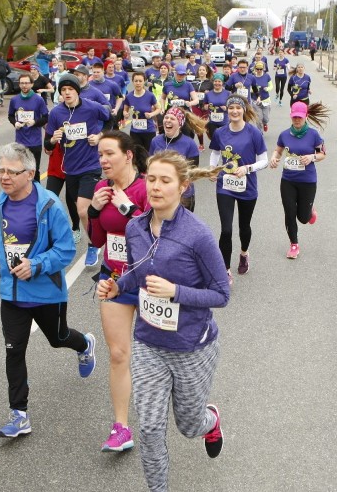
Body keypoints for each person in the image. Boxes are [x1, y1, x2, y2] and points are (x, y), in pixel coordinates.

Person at [96, 150, 229, 492]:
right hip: (148, 343)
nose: (155, 187)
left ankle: (210, 420)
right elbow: (135, 276)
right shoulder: (135, 227)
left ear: (183, 186)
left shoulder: (197, 235)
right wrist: (116, 287)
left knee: (189, 425)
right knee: (151, 428)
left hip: (190, 347)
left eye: (165, 181)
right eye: (151, 179)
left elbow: (221, 294)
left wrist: (176, 291)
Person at [0, 143, 96, 439]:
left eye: (11, 171)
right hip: (12, 293)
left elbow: (66, 249)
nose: (4, 177)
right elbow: (1, 240)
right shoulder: (1, 202)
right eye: (0, 170)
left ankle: (85, 346)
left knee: (59, 339)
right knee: (13, 351)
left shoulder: (49, 205)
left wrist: (37, 264)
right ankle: (19, 415)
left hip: (46, 292)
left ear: (30, 173)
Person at [86, 131, 150, 452]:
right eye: (100, 155)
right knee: (118, 354)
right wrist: (94, 212)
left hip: (152, 282)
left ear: (128, 155)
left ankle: (194, 411)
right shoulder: (102, 188)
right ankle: (121, 427)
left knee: (165, 357)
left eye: (109, 153)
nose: (103, 160)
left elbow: (158, 238)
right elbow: (97, 240)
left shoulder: (147, 188)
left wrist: (129, 211)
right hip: (114, 278)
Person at [45, 73, 111, 267]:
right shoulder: (56, 113)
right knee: (80, 208)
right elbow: (47, 145)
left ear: (77, 91)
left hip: (90, 165)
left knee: (83, 211)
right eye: (63, 90)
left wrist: (100, 136)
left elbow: (110, 120)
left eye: (70, 90)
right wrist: (53, 139)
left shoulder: (91, 107)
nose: (67, 93)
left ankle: (93, 245)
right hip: (70, 168)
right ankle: (100, 228)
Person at [209, 95, 267, 281]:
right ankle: (225, 270)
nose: (234, 111)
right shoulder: (220, 132)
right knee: (226, 229)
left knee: (244, 227)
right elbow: (216, 153)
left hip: (247, 187)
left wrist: (247, 168)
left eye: (238, 108)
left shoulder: (253, 133)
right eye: (231, 107)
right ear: (227, 110)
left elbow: (264, 161)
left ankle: (243, 253)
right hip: (225, 185)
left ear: (243, 110)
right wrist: (212, 169)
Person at [268, 102, 329, 258]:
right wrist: (274, 159)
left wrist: (312, 157)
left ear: (306, 117)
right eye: (294, 117)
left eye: (300, 117)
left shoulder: (314, 135)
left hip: (307, 181)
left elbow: (322, 154)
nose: (297, 120)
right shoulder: (284, 134)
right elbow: (278, 151)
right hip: (288, 180)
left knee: (303, 218)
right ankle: (294, 245)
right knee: (289, 212)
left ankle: (309, 211)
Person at [149, 107, 203, 211]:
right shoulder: (155, 141)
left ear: (180, 124)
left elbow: (192, 173)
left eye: (172, 119)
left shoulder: (190, 144)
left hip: (183, 194)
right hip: (160, 192)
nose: (168, 120)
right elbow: (149, 167)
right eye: (166, 117)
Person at [8, 72, 49, 181]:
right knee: (20, 169)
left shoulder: (38, 100)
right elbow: (10, 116)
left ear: (31, 84)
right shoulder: (14, 100)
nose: (24, 85)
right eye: (22, 83)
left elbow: (46, 117)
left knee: (34, 170)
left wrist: (34, 122)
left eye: (26, 83)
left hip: (35, 141)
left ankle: (36, 194)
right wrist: (14, 123)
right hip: (20, 141)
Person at [123, 72, 160, 151]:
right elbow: (125, 110)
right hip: (135, 131)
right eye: (136, 81)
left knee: (149, 153)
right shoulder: (129, 96)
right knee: (136, 153)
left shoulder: (150, 95)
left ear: (144, 82)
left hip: (148, 131)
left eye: (140, 81)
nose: (138, 83)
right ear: (132, 82)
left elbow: (158, 109)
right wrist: (125, 114)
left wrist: (151, 114)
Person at [90, 61, 124, 130]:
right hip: (93, 118)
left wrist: (116, 109)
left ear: (103, 71)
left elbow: (120, 97)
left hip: (107, 118)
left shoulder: (112, 84)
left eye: (98, 72)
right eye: (94, 72)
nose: (96, 74)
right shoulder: (88, 85)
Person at [190, 64, 213, 150]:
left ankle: (212, 140)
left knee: (207, 125)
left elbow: (214, 93)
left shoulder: (210, 83)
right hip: (196, 106)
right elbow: (190, 92)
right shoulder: (193, 82)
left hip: (206, 106)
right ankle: (201, 144)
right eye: (200, 70)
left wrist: (208, 93)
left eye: (203, 70)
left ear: (206, 72)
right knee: (198, 124)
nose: (201, 71)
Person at [202, 73, 230, 141]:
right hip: (212, 122)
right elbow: (204, 105)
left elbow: (232, 106)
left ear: (222, 83)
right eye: (215, 81)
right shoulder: (208, 94)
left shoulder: (228, 93)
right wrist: (206, 106)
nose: (217, 83)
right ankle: (216, 151)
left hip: (224, 121)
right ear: (213, 82)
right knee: (214, 139)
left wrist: (226, 108)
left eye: (219, 81)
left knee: (224, 140)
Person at [250, 61, 273, 132]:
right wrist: (254, 90)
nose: (259, 70)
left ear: (263, 69)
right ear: (255, 69)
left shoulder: (267, 76)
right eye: (257, 69)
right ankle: (260, 132)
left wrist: (267, 89)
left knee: (265, 118)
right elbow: (249, 88)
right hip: (255, 100)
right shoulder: (252, 77)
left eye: (261, 69)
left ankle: (265, 123)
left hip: (266, 100)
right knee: (259, 118)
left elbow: (271, 86)